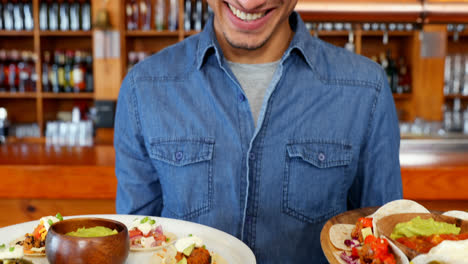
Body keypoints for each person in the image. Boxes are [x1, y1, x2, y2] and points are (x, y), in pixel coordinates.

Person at [114, 0, 403, 263]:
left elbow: (385, 244)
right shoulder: (143, 88)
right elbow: (134, 243)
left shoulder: (367, 90)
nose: (249, 2)